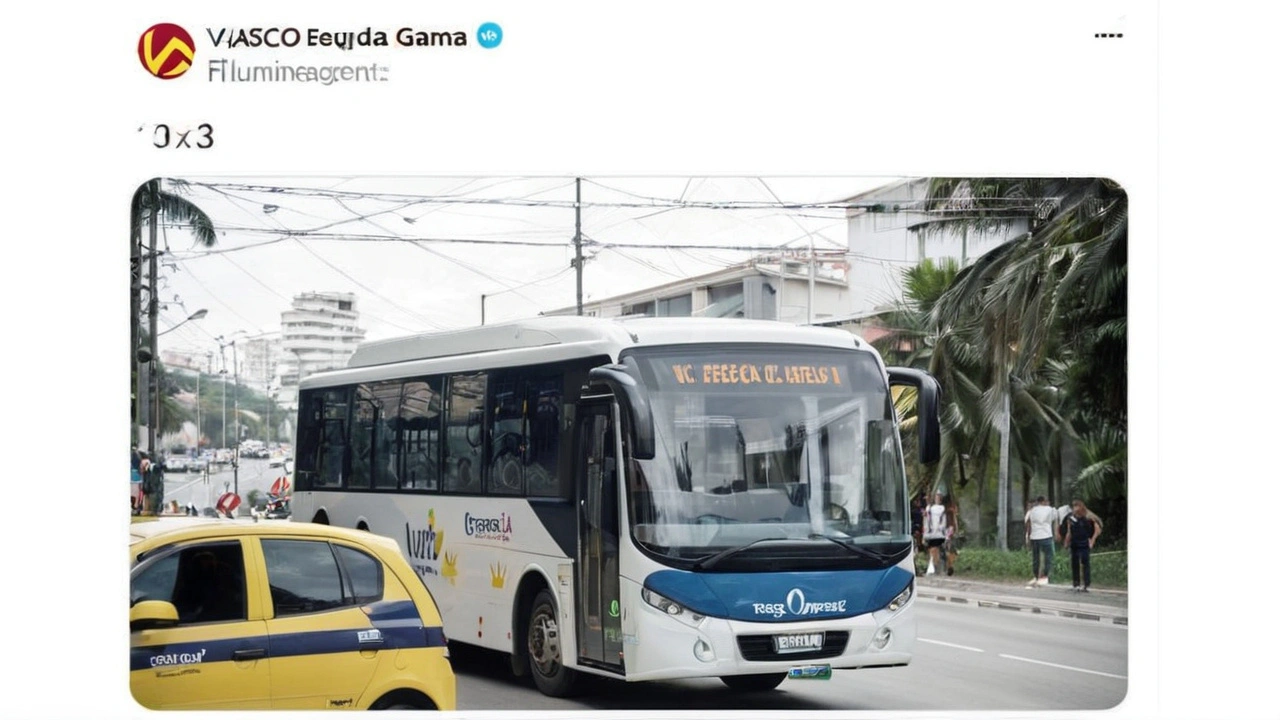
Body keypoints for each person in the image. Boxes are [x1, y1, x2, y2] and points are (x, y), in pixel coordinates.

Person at [1060, 499, 1102, 592]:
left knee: (1085, 562)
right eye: (1073, 506)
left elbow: (1097, 530)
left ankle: (1086, 584)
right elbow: (1069, 531)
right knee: (1074, 562)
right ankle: (1076, 583)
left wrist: (1092, 540)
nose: (1075, 508)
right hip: (1074, 542)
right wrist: (1066, 542)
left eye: (1076, 506)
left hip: (1084, 542)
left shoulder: (1088, 517)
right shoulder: (1071, 518)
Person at [1024, 495, 1058, 587]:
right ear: (1043, 501)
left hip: (1034, 537)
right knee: (1048, 557)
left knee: (1036, 558)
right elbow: (1055, 519)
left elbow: (1028, 523)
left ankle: (1036, 576)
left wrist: (1027, 537)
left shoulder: (1032, 511)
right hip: (1046, 535)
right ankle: (1045, 576)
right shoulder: (1050, 509)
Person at [922, 492, 950, 575]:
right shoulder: (929, 508)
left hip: (939, 533)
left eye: (939, 498)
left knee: (937, 550)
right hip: (931, 533)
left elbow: (944, 520)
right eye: (936, 497)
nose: (937, 499)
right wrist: (926, 530)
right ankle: (933, 567)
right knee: (932, 550)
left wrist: (941, 528)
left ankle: (939, 567)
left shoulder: (942, 508)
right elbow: (926, 520)